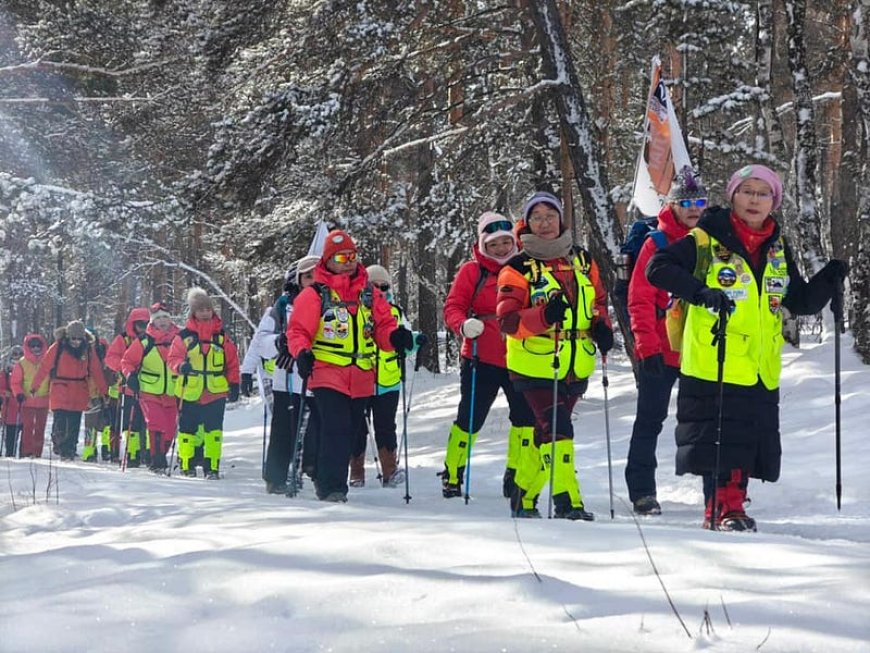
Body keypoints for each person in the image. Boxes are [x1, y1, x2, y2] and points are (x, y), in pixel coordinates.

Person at [647, 164, 849, 531]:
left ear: (774, 201)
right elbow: (658, 268)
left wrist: (828, 278)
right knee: (723, 442)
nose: (754, 200)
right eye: (747, 191)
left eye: (763, 193)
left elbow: (799, 300)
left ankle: (728, 508)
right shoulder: (707, 238)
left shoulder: (777, 246)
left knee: (745, 441)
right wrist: (701, 292)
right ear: (733, 196)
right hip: (715, 357)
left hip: (759, 363)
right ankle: (726, 510)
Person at [496, 191, 614, 520]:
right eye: (537, 217)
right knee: (559, 429)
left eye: (551, 215)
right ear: (527, 223)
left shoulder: (582, 260)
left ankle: (524, 492)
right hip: (533, 363)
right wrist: (545, 315)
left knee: (545, 434)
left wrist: (602, 327)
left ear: (561, 219)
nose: (545, 223)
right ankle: (567, 501)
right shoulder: (516, 268)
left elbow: (598, 301)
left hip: (576, 362)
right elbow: (508, 321)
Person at [287, 229, 406, 503]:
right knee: (336, 426)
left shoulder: (369, 293)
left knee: (352, 429)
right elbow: (297, 331)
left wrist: (394, 337)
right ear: (328, 260)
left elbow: (384, 326)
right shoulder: (314, 294)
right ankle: (332, 487)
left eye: (352, 255)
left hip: (362, 374)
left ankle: (318, 468)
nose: (349, 261)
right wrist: (302, 352)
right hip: (327, 372)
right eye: (342, 256)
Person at [625, 168, 708, 515]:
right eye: (685, 202)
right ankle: (642, 491)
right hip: (661, 348)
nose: (693, 208)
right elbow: (639, 298)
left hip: (702, 348)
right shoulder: (656, 243)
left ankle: (718, 491)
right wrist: (646, 347)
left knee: (706, 422)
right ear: (672, 205)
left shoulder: (712, 241)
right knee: (650, 419)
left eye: (699, 201)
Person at [440, 212, 536, 499]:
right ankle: (453, 472)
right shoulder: (472, 271)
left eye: (506, 242)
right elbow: (453, 307)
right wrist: (463, 325)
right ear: (483, 245)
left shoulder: (526, 268)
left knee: (524, 419)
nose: (501, 249)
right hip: (480, 356)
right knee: (470, 418)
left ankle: (516, 474)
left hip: (521, 356)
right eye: (494, 244)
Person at [247, 254, 321, 494]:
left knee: (316, 430)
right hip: (287, 378)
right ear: (298, 279)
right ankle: (277, 477)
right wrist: (280, 342)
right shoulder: (281, 306)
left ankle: (313, 470)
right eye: (307, 276)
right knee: (285, 430)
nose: (312, 280)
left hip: (320, 377)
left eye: (316, 275)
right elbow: (261, 341)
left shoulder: (330, 302)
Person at [350, 264, 423, 488]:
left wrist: (416, 341)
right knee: (357, 426)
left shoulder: (396, 311)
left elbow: (405, 340)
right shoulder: (357, 310)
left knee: (386, 426)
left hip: (388, 380)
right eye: (374, 285)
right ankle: (356, 471)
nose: (380, 289)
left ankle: (390, 470)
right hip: (361, 377)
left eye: (384, 285)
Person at [168, 288, 241, 479]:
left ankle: (212, 467)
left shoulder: (222, 336)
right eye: (200, 310)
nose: (205, 313)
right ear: (193, 312)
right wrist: (180, 366)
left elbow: (232, 362)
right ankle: (187, 464)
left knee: (214, 430)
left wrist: (235, 383)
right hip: (189, 390)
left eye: (208, 309)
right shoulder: (183, 337)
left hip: (216, 390)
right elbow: (172, 359)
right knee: (187, 430)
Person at [30, 320, 108, 460]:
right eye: (73, 338)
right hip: (60, 387)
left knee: (74, 421)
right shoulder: (58, 347)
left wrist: (104, 391)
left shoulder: (88, 350)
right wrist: (35, 386)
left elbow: (96, 371)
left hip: (79, 389)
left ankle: (70, 448)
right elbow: (45, 367)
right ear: (68, 336)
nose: (76, 342)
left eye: (79, 339)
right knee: (60, 419)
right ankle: (59, 444)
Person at [121, 302, 181, 473]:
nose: (162, 321)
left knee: (169, 431)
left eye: (165, 317)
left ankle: (159, 453)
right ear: (152, 321)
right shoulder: (144, 341)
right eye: (158, 318)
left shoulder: (179, 339)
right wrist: (131, 375)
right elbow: (127, 361)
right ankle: (157, 460)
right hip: (148, 390)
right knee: (156, 424)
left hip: (172, 391)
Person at [105, 307, 150, 467]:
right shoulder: (123, 340)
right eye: (140, 324)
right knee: (129, 424)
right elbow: (110, 358)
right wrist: (126, 369)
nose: (143, 327)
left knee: (148, 423)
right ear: (133, 324)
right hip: (127, 387)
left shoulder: (152, 339)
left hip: (149, 388)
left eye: (146, 324)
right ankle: (132, 454)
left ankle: (147, 453)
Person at [10, 335, 50, 457]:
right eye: (33, 346)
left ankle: (37, 452)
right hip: (27, 401)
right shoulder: (22, 363)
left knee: (40, 428)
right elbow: (15, 382)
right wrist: (19, 394)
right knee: (27, 428)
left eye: (38, 346)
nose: (36, 348)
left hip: (44, 400)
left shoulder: (48, 361)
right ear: (28, 347)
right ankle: (26, 452)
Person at [1, 346, 24, 456]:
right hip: (9, 408)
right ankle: (10, 454)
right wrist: (5, 393)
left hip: (22, 407)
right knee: (10, 436)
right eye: (15, 355)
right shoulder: (5, 372)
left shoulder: (26, 370)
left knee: (23, 436)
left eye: (20, 355)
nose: (17, 357)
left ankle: (23, 455)